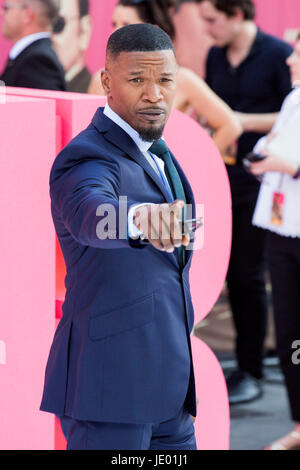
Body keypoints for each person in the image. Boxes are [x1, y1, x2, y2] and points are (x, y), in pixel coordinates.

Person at [40, 23, 198, 450]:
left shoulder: (160, 152)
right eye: (137, 80)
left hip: (171, 395)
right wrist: (143, 218)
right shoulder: (87, 155)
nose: (154, 94)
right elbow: (90, 214)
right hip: (110, 395)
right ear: (107, 83)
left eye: (164, 79)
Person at [198, 0, 293, 404]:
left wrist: (236, 119)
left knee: (249, 277)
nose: (207, 29)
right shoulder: (215, 56)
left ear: (237, 15)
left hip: (265, 184)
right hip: (224, 179)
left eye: (213, 20)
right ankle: (241, 365)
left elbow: (293, 114)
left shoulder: (277, 55)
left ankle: (252, 367)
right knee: (228, 275)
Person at [88, 0, 242, 156]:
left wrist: (192, 167)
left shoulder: (183, 79)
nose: (117, 32)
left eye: (127, 25)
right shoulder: (100, 81)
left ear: (154, 30)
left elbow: (230, 125)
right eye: (114, 24)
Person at [249, 32, 300, 451]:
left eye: (298, 53)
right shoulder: (291, 101)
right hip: (281, 229)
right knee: (289, 334)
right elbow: (272, 148)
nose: (290, 60)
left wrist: (289, 163)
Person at [0, 0, 66, 91]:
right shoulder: (30, 56)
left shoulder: (39, 61)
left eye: (6, 8)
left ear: (28, 15)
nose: (1, 13)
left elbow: (44, 105)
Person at [51, 0, 92, 93]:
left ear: (84, 31)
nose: (47, 36)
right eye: (42, 23)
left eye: (58, 24)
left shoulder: (96, 97)